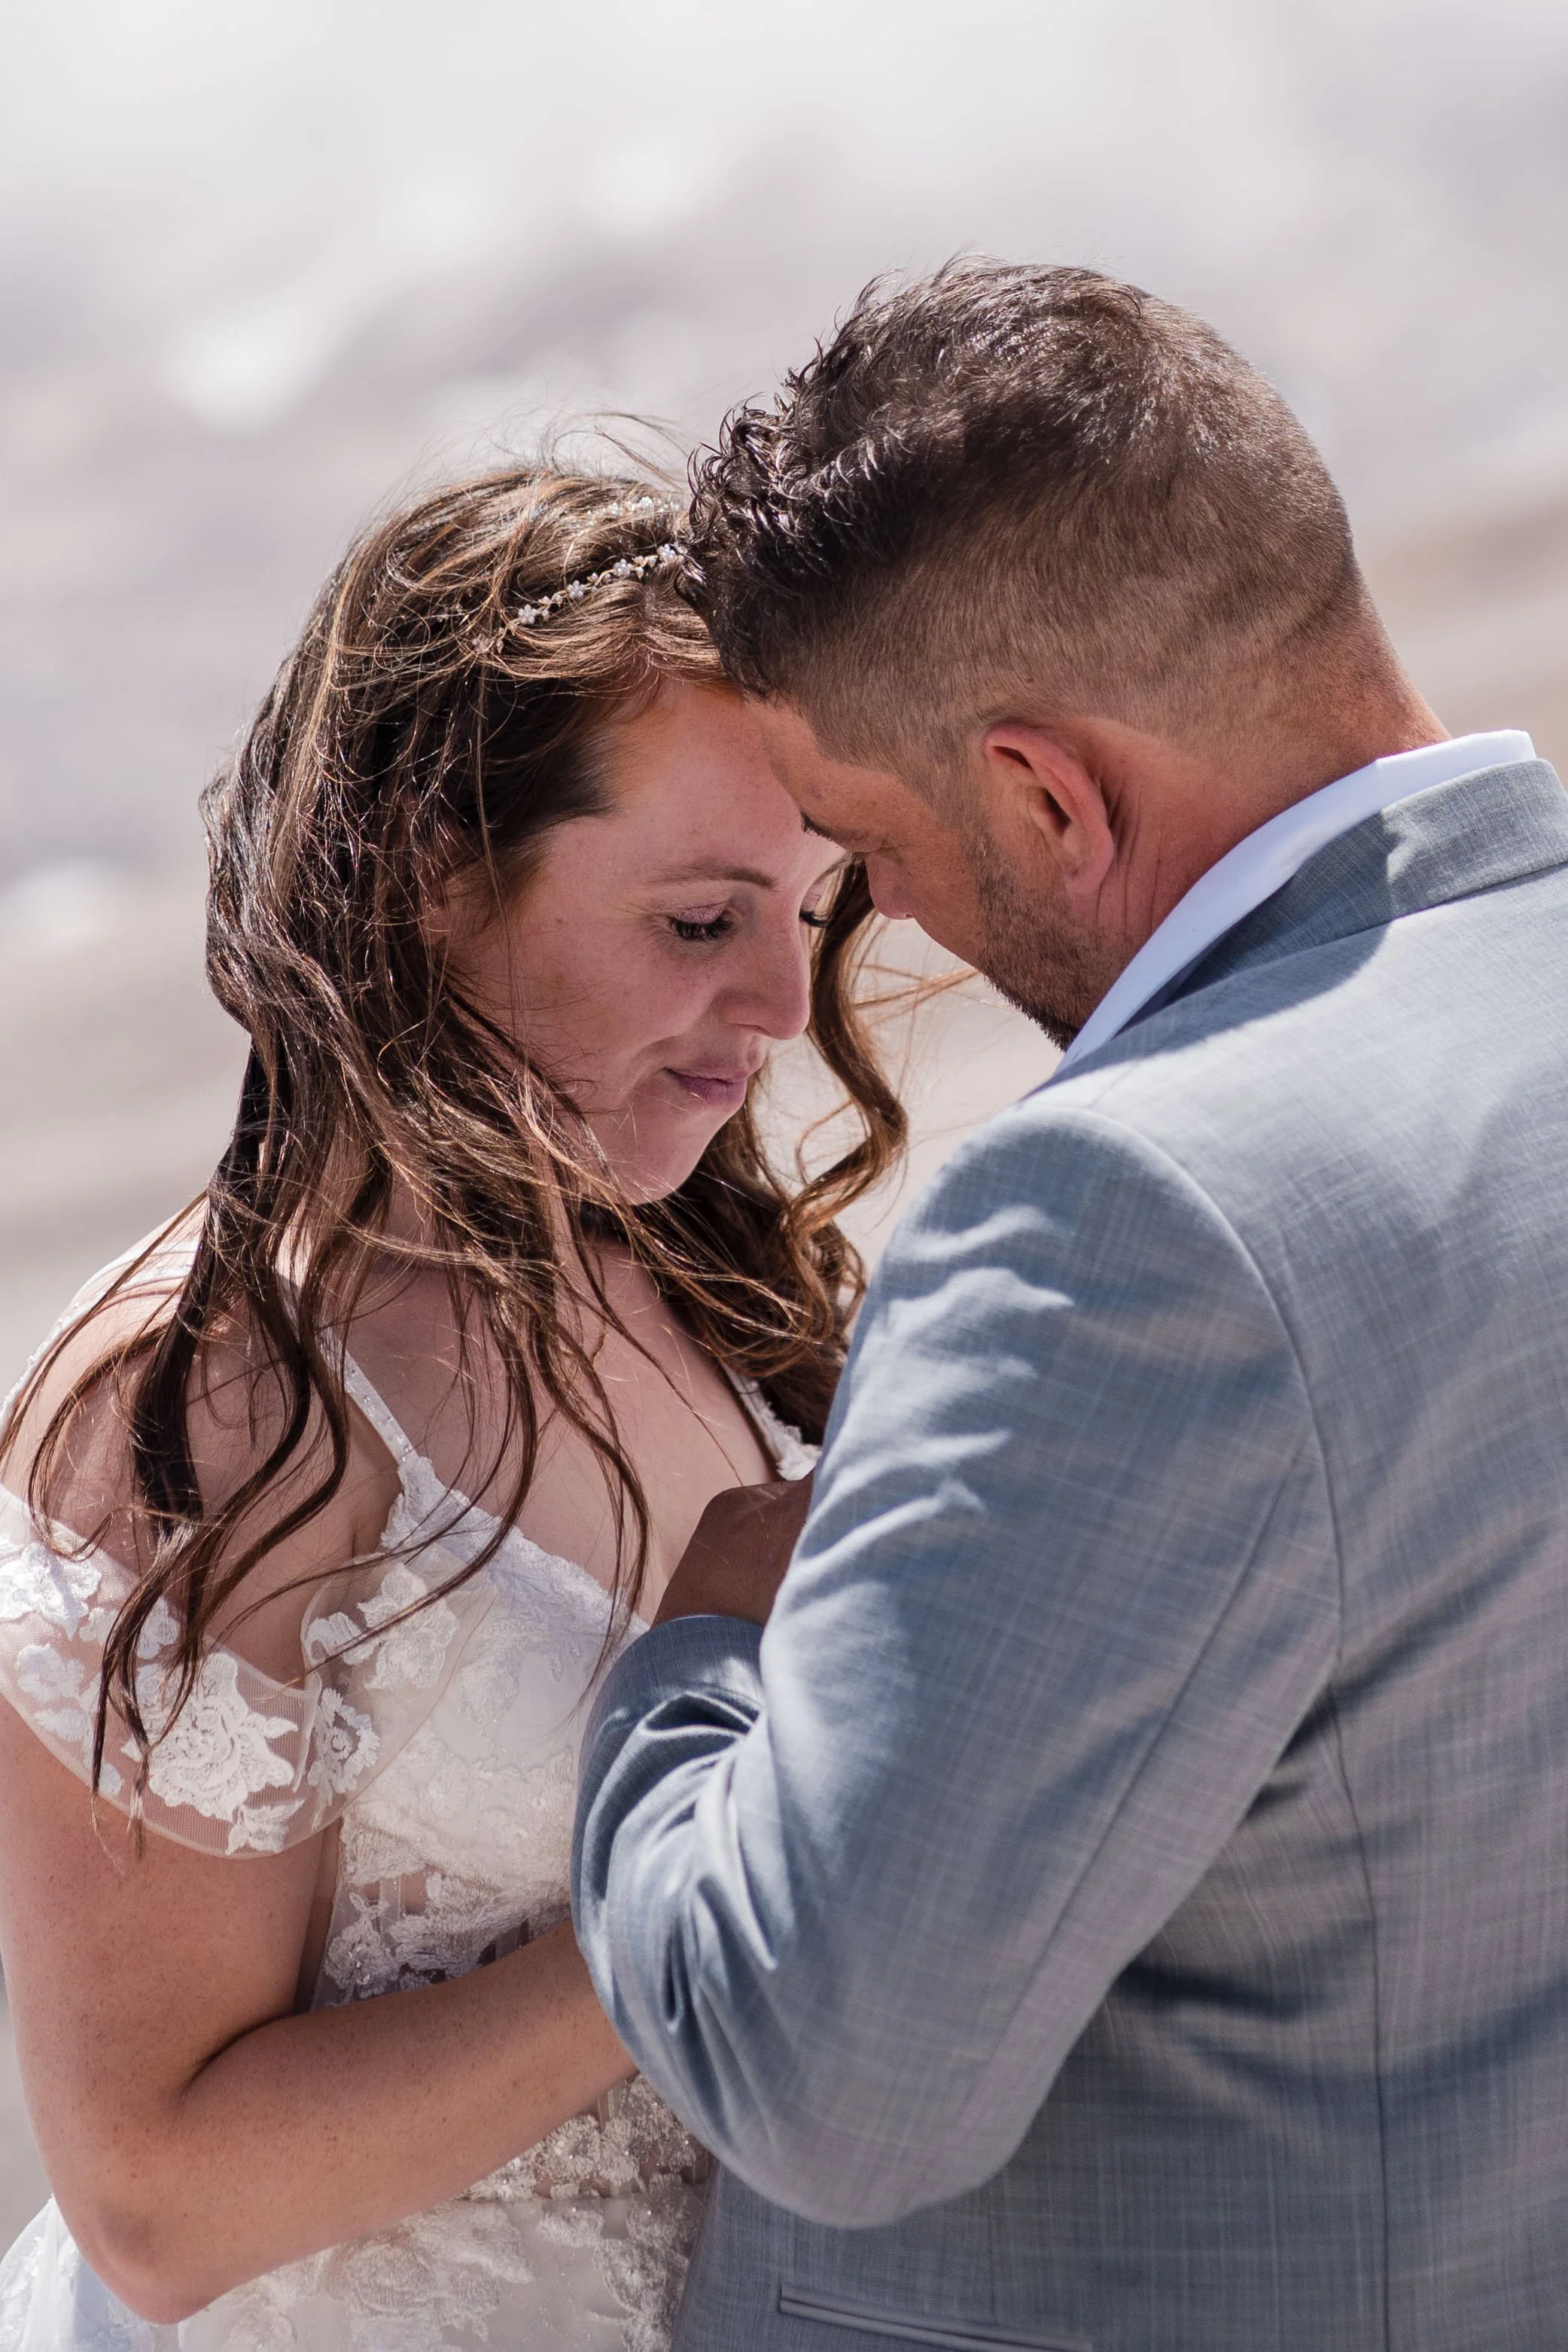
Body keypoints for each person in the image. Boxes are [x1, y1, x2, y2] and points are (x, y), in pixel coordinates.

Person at [572, 260, 1568, 2350]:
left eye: (867, 845)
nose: (885, 926)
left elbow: (824, 2077)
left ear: (1046, 794)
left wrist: (698, 1658)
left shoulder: (1132, 1218)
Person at [0, 465, 901, 2352]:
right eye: (699, 920)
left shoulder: (715, 1282)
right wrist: (697, 1894)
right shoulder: (213, 1398)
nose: (780, 1004)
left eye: (808, 913)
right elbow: (157, 2203)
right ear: (430, 870)